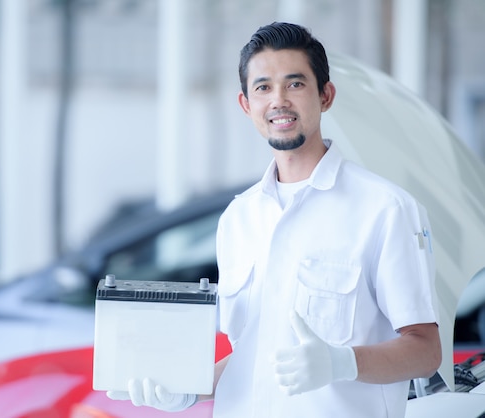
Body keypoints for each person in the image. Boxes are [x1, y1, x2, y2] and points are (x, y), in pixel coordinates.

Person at [107, 21, 441, 417]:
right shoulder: (238, 218)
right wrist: (189, 389)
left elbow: (425, 350)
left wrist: (344, 362)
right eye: (263, 87)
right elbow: (253, 355)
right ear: (247, 105)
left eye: (295, 84)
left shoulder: (385, 209)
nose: (278, 100)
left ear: (326, 95)